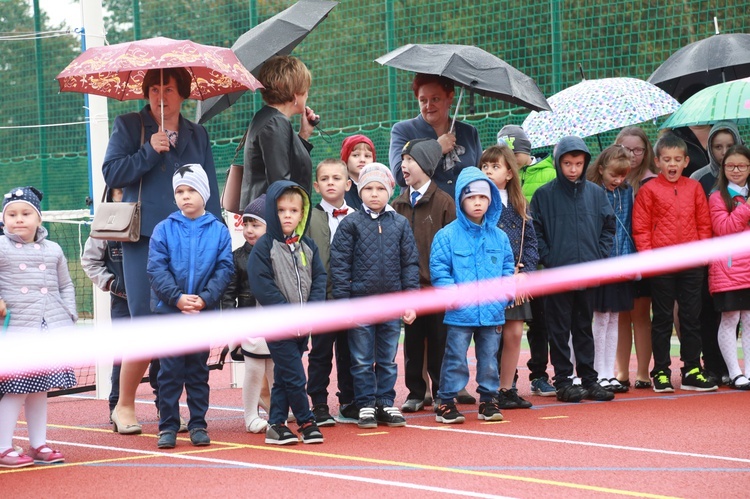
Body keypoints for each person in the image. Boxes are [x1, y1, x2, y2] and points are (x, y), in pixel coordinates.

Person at [102, 67, 222, 434]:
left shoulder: (197, 133)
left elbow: (210, 189)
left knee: (183, 322)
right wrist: (149, 151)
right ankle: (123, 406)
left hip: (192, 241)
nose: (161, 96)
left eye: (168, 88)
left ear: (183, 94)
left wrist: (216, 235)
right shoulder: (129, 124)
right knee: (146, 322)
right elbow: (112, 173)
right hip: (144, 239)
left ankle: (169, 410)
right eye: (154, 88)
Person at [147, 165, 233, 449]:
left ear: (205, 193)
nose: (185, 196)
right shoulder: (164, 229)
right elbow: (156, 270)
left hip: (202, 315)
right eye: (180, 191)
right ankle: (168, 426)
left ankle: (198, 424)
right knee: (169, 373)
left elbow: (224, 268)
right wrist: (177, 298)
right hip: (171, 314)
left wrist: (205, 298)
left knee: (197, 372)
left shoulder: (219, 231)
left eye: (192, 190)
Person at [330, 163, 419, 429]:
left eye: (380, 188)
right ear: (360, 190)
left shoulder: (400, 224)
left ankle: (385, 402)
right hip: (360, 305)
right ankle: (365, 404)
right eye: (368, 188)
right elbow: (340, 264)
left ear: (390, 190)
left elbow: (410, 264)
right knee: (360, 359)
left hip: (392, 306)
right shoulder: (351, 224)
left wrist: (410, 301)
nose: (374, 193)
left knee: (388, 358)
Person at [530, 136, 616, 403]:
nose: (573, 169)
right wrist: (550, 258)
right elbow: (536, 232)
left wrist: (598, 255)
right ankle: (564, 381)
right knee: (558, 329)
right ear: (558, 163)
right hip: (557, 275)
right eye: (567, 163)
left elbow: (608, 227)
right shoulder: (544, 195)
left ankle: (590, 380)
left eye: (578, 163)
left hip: (587, 273)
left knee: (583, 327)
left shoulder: (596, 193)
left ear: (585, 163)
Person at [430, 167, 515, 424]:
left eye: (483, 197)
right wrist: (452, 295)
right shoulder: (446, 236)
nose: (477, 202)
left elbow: (507, 268)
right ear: (460, 199)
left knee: (489, 359)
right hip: (459, 313)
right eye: (470, 197)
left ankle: (488, 401)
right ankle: (445, 402)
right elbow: (439, 269)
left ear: (491, 199)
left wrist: (506, 294)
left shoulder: (500, 237)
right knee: (455, 358)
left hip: (492, 312)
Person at [632, 133, 716, 393]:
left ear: (686, 161)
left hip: (691, 264)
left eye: (677, 159)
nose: (672, 164)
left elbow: (704, 223)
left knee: (691, 317)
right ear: (657, 161)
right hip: (662, 264)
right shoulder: (648, 191)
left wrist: (702, 256)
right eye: (667, 159)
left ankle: (692, 369)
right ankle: (661, 371)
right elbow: (641, 228)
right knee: (662, 319)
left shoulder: (694, 188)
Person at [0, 186, 76, 468]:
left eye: (25, 213)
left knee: (39, 389)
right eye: (12, 214)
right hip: (17, 330)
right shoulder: (1, 246)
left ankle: (38, 443)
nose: (19, 219)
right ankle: (3, 446)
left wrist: (68, 314)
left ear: (38, 218)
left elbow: (66, 285)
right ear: (3, 219)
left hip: (49, 328)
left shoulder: (53, 249)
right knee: (14, 388)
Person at [248, 181, 327, 445]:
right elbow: (262, 285)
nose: (287, 215)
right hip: (279, 326)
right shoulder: (264, 248)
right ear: (272, 212)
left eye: (294, 210)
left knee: (282, 376)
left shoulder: (308, 247)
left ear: (302, 213)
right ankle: (306, 421)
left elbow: (319, 278)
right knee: (295, 375)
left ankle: (276, 425)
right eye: (281, 210)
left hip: (302, 328)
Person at [392, 138, 456, 413]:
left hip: (439, 289)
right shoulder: (398, 204)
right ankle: (417, 392)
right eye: (403, 159)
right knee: (413, 344)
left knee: (441, 341)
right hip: (410, 290)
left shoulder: (444, 203)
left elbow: (454, 246)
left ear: (427, 165)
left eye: (410, 160)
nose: (403, 165)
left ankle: (443, 390)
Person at [497, 125, 556, 397]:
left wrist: (528, 265)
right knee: (505, 326)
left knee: (540, 321)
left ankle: (539, 373)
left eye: (512, 152)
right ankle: (506, 379)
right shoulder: (493, 187)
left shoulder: (548, 173)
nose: (508, 158)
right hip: (506, 270)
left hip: (536, 264)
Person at [481, 144, 538, 410]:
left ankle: (506, 389)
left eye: (495, 167)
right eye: (485, 166)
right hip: (491, 281)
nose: (489, 171)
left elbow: (531, 244)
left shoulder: (520, 204)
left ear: (509, 173)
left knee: (514, 333)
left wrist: (525, 273)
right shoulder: (479, 202)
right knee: (491, 335)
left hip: (516, 282)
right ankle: (488, 390)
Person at [691, 121, 744, 385]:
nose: (723, 152)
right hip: (715, 262)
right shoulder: (701, 179)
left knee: (740, 316)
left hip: (744, 264)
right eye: (717, 147)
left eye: (728, 146)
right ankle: (714, 366)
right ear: (710, 148)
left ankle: (736, 369)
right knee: (713, 315)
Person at [306, 159, 356, 425]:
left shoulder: (358, 216)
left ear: (348, 184)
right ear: (316, 185)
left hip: (349, 299)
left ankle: (349, 401)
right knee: (321, 353)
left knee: (350, 353)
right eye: (325, 179)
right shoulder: (309, 217)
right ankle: (319, 403)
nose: (330, 183)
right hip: (322, 299)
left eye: (337, 178)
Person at [221, 194, 275, 433]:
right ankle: (250, 416)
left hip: (275, 325)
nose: (250, 230)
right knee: (254, 370)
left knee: (275, 370)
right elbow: (227, 294)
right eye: (247, 224)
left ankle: (278, 411)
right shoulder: (237, 257)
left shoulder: (279, 253)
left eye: (256, 224)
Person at [585, 145, 635, 393]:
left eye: (623, 175)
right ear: (601, 169)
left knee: (615, 317)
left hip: (622, 262)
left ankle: (609, 372)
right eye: (614, 174)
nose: (618, 180)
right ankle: (596, 372)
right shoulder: (591, 192)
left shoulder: (627, 191)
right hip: (599, 263)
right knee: (601, 317)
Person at [241, 55, 319, 206]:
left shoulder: (269, 118)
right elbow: (280, 182)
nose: (307, 95)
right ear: (295, 94)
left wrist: (304, 134)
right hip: (273, 219)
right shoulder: (275, 123)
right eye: (305, 90)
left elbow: (288, 164)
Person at [390, 74, 482, 199]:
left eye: (435, 99)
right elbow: (400, 176)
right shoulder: (403, 131)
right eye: (423, 100)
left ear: (450, 98)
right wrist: (436, 148)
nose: (428, 106)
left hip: (464, 215)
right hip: (422, 214)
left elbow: (480, 177)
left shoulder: (469, 132)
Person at [80, 187, 129, 421]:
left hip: (154, 301)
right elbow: (90, 261)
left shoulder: (152, 222)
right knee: (122, 355)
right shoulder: (103, 227)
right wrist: (111, 283)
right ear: (110, 195)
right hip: (122, 302)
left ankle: (166, 408)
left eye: (127, 191)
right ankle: (116, 407)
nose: (122, 196)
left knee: (160, 355)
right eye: (118, 191)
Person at [613, 126, 657, 389]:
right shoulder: (609, 181)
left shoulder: (652, 180)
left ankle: (642, 372)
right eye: (627, 149)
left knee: (641, 314)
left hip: (642, 254)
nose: (632, 155)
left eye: (638, 150)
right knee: (620, 316)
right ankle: (621, 372)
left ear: (646, 151)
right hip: (617, 256)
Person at [707, 144, 750, 390]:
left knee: (749, 319)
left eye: (742, 165)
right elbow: (724, 229)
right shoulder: (717, 196)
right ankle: (735, 373)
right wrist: (746, 207)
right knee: (730, 318)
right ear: (723, 168)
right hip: (729, 270)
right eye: (731, 165)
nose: (736, 170)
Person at [340, 135, 376, 210]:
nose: (362, 160)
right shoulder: (339, 191)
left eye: (367, 156)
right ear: (345, 159)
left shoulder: (379, 188)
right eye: (356, 155)